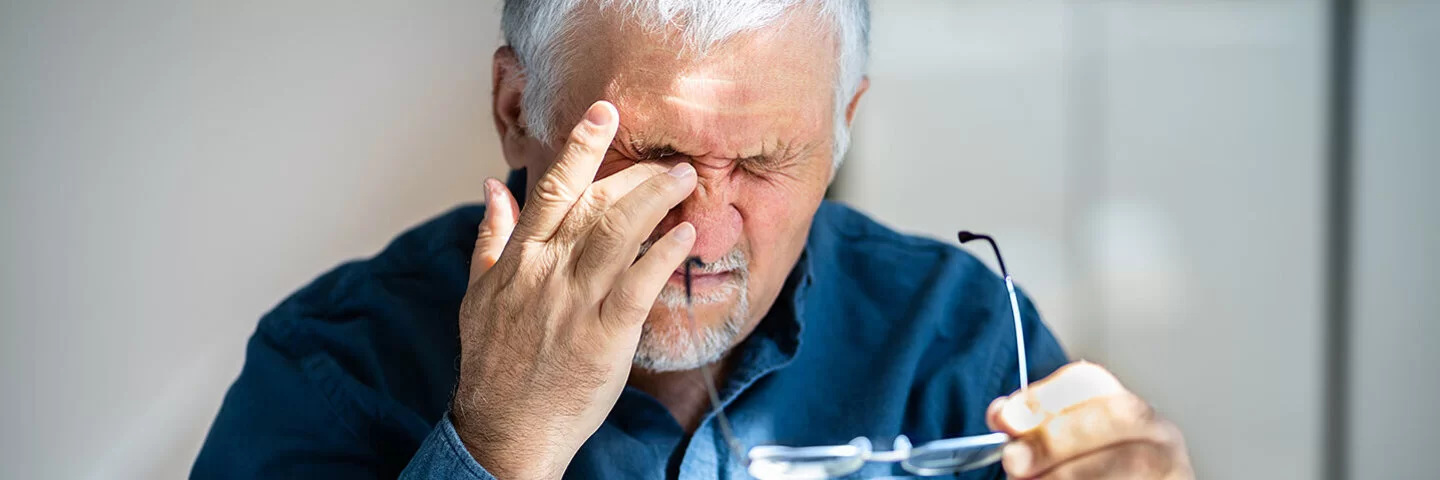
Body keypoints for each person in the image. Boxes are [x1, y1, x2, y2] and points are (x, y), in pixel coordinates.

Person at [193, 1, 1193, 478]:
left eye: (766, 161)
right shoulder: (328, 369)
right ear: (514, 108)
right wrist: (497, 446)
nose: (706, 230)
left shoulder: (962, 341)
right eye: (655, 157)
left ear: (846, 121)